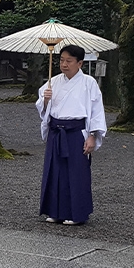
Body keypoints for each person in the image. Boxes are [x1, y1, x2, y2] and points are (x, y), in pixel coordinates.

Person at [37, 44, 106, 226]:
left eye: (69, 61)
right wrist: (45, 99)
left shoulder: (88, 83)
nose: (64, 64)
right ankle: (55, 211)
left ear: (80, 63)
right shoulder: (54, 81)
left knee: (76, 173)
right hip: (56, 132)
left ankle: (77, 213)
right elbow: (43, 109)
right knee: (54, 171)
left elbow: (97, 111)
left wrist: (92, 135)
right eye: (61, 60)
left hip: (76, 132)